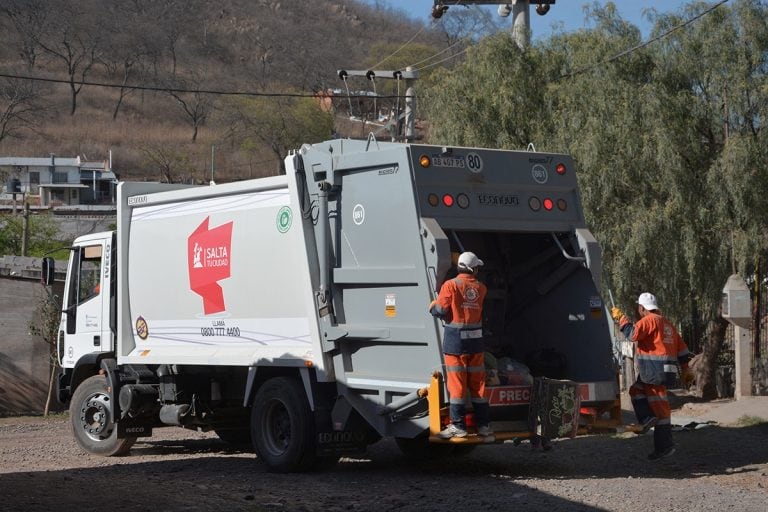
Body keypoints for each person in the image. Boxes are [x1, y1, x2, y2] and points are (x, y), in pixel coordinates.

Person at [611, 292, 693, 460]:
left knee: (659, 407)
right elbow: (683, 349)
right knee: (639, 392)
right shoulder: (667, 324)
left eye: (639, 308)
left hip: (654, 370)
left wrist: (622, 318)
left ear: (642, 308)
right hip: (667, 371)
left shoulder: (649, 321)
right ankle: (651, 425)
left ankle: (663, 442)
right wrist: (686, 369)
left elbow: (633, 334)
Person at [429, 251, 492, 439]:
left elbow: (441, 310)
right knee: (478, 386)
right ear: (473, 269)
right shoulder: (482, 288)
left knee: (457, 386)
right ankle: (484, 426)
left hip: (456, 344)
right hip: (475, 344)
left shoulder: (450, 285)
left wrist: (433, 304)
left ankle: (459, 426)